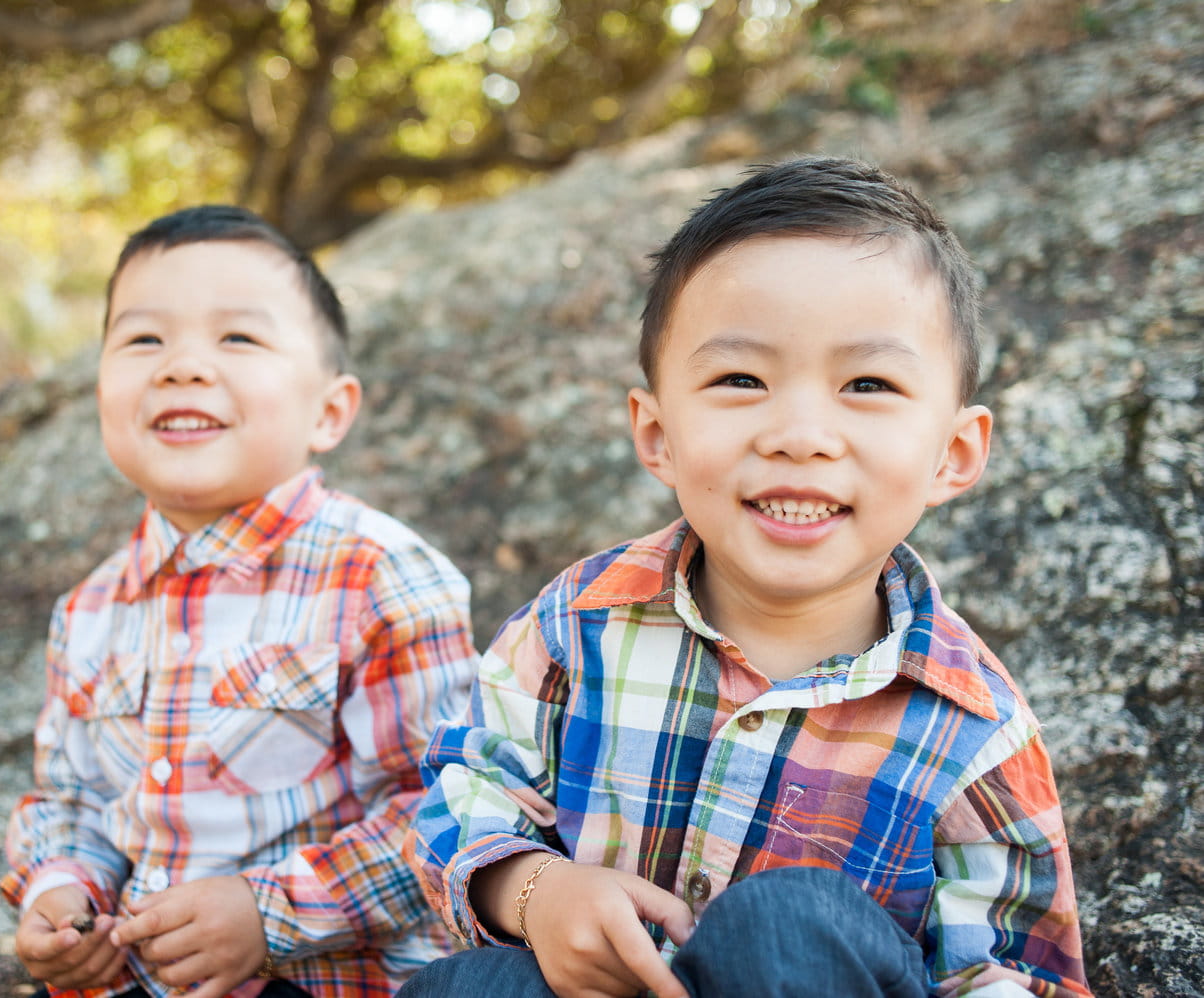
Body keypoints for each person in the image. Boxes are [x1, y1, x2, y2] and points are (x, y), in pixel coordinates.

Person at [401, 157, 1090, 998]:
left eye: (867, 384)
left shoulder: (972, 733)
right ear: (656, 434)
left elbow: (1015, 973)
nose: (800, 434)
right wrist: (536, 893)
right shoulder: (579, 624)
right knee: (469, 988)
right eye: (741, 380)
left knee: (785, 926)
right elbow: (464, 789)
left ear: (954, 452)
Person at [1, 205, 478, 998]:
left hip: (320, 977)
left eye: (239, 338)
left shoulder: (379, 575)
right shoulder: (88, 611)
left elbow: (450, 807)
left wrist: (270, 913)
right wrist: (61, 891)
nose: (182, 366)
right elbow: (71, 799)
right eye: (144, 339)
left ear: (329, 411)